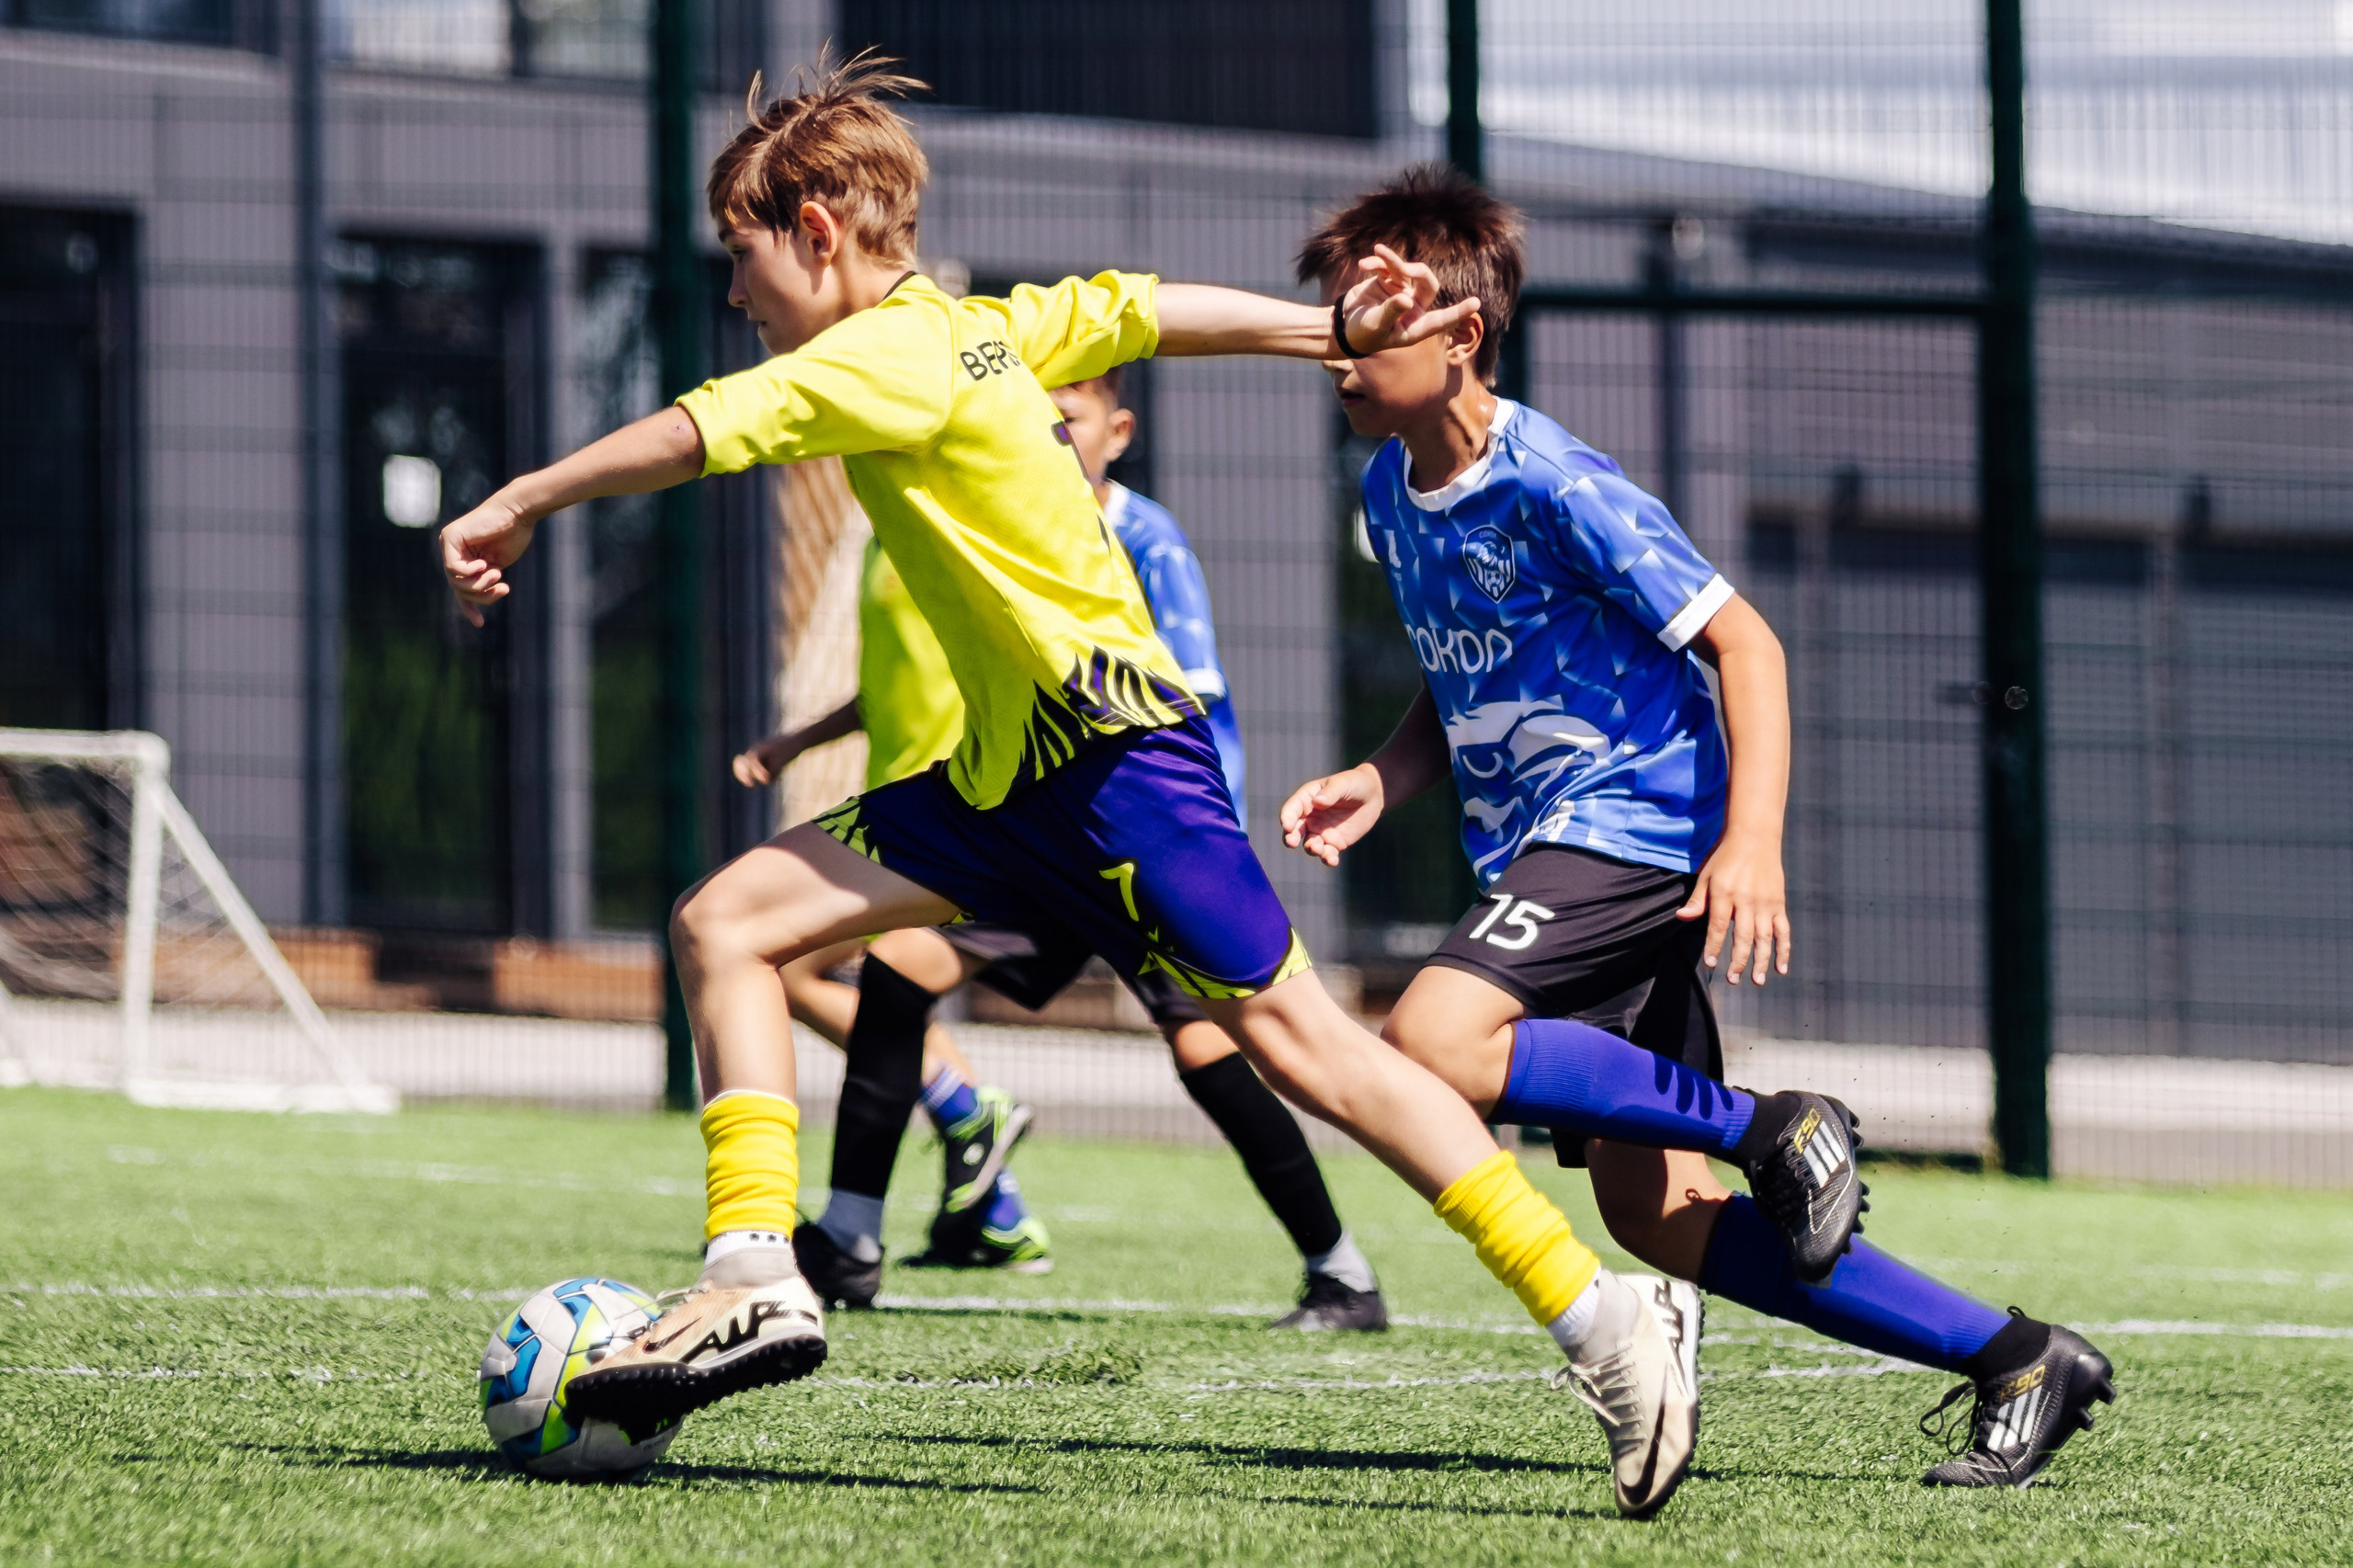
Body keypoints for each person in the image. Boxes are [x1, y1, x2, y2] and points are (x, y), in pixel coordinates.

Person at [438, 56, 1857, 1517]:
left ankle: (1610, 1318)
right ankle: (757, 1272)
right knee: (726, 919)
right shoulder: (994, 329)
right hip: (1004, 789)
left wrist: (516, 498)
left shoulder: (887, 354)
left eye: (740, 261)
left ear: (816, 229)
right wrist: (1325, 329)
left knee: (1320, 1053)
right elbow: (1152, 309)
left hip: (1120, 772)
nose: (736, 296)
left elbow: (698, 429)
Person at [1278, 164, 2115, 1491]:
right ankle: (2016, 1355)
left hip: (1627, 824)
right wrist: (1385, 778)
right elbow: (1468, 682)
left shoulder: (1559, 482)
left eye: (1372, 312)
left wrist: (1753, 841)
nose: (1337, 339)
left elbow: (1748, 643)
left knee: (1433, 1039)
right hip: (1548, 847)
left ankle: (1766, 1122)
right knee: (1654, 1216)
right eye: (1332, 310)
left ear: (1459, 336)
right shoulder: (1387, 492)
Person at [735, 371, 1388, 1330]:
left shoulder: (1146, 539)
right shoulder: (1002, 527)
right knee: (898, 965)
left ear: (1116, 431)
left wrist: (1203, 847)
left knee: (1220, 1047)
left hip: (1146, 844)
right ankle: (849, 1235)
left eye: (1066, 419)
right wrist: (801, 740)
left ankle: (1342, 1269)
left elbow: (1192, 702)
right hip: (1036, 836)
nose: (1043, 434)